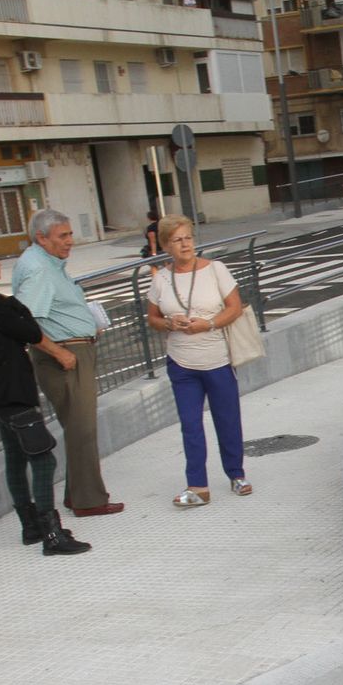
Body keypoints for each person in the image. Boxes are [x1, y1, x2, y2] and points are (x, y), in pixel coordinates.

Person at [0, 239, 90, 556]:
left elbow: (23, 319)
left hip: (0, 393)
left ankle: (31, 527)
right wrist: (60, 354)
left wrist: (16, 308)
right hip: (14, 394)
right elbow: (30, 330)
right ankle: (52, 535)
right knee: (43, 457)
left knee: (16, 459)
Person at [13, 208, 124, 516]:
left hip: (73, 351)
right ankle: (89, 500)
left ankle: (77, 495)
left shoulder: (48, 264)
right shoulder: (39, 269)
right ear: (41, 238)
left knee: (79, 427)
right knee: (82, 429)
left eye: (70, 234)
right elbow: (25, 322)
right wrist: (59, 352)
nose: (70, 241)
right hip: (66, 356)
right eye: (63, 236)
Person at [144, 215, 253, 507]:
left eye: (188, 237)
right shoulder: (161, 279)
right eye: (178, 240)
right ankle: (198, 486)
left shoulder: (215, 269)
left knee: (227, 419)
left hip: (217, 358)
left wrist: (210, 325)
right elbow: (151, 317)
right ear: (166, 245)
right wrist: (169, 322)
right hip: (181, 363)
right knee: (190, 424)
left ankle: (236, 474)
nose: (185, 244)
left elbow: (235, 308)